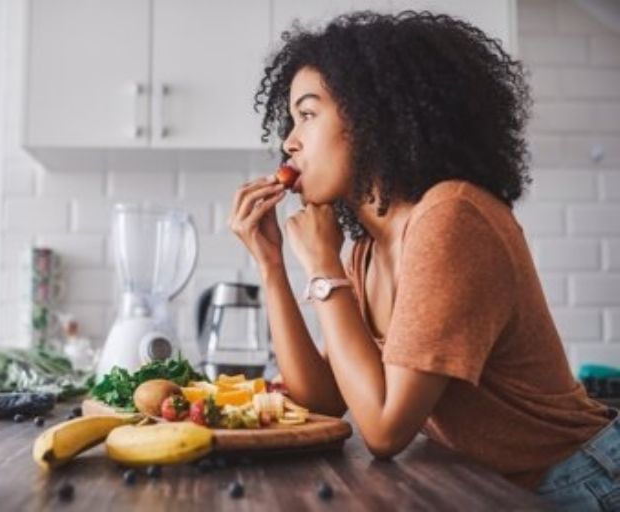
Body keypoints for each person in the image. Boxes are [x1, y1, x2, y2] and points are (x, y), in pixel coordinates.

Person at [229, 11, 619, 510]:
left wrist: (325, 269)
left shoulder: (450, 218)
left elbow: (385, 430)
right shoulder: (369, 248)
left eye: (307, 114)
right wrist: (272, 267)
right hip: (497, 486)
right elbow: (323, 400)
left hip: (580, 485)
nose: (289, 141)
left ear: (373, 117)